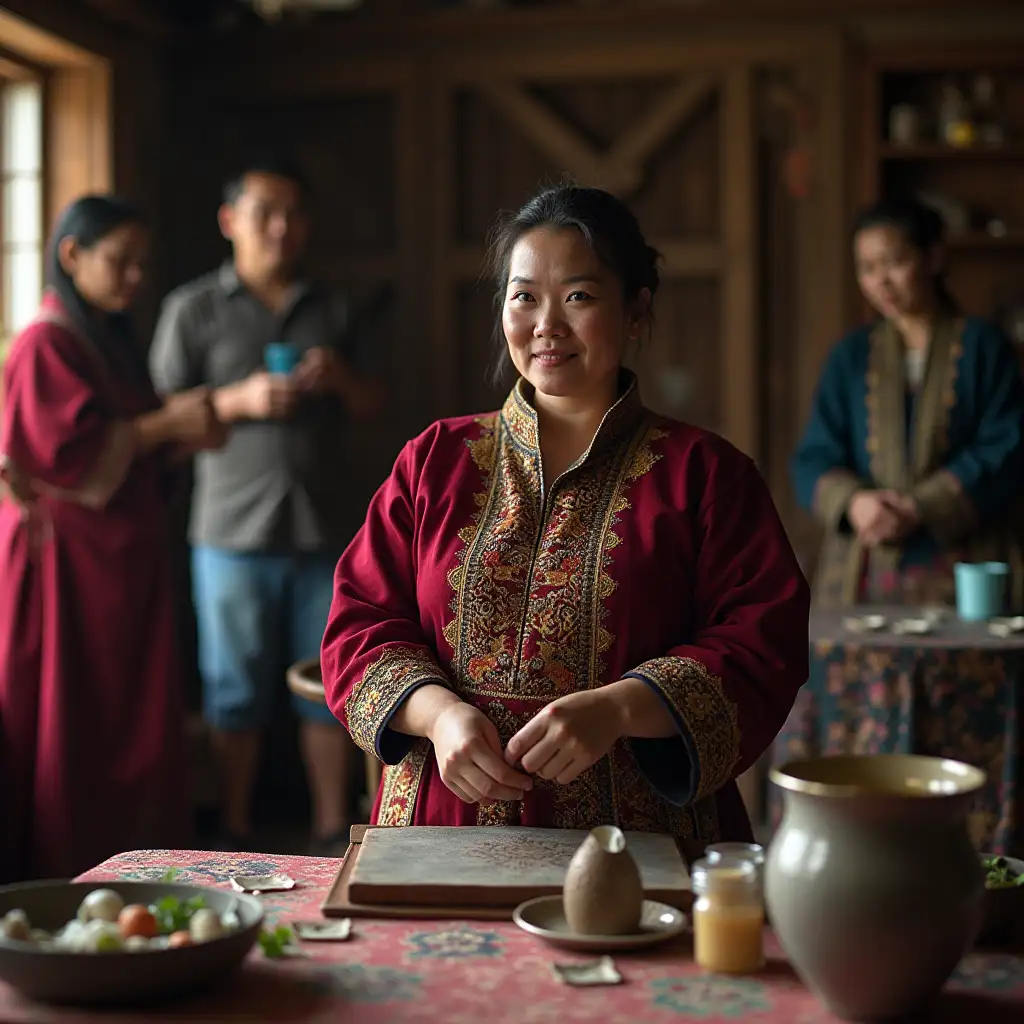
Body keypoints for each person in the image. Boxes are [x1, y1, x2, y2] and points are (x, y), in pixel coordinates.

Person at [321, 186, 809, 843]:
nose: (546, 324)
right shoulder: (436, 460)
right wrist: (439, 717)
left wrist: (620, 708)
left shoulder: (707, 475)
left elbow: (762, 641)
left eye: (578, 296)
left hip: (634, 837)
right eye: (524, 296)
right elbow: (359, 624)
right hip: (443, 822)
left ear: (636, 312)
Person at [149, 157, 381, 854]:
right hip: (228, 531)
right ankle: (235, 830)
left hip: (325, 528)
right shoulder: (191, 309)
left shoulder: (333, 307)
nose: (281, 228)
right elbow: (155, 419)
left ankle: (329, 833)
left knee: (328, 684)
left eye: (292, 215)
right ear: (230, 221)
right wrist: (235, 402)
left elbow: (376, 405)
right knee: (233, 690)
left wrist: (339, 379)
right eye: (264, 213)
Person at [0, 195, 227, 883]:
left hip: (120, 558)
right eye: (118, 261)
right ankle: (68, 868)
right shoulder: (47, 340)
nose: (134, 278)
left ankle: (142, 866)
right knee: (77, 716)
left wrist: (181, 439)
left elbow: (130, 450)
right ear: (72, 256)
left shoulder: (105, 337)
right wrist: (166, 427)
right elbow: (66, 459)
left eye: (140, 264)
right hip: (67, 564)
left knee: (130, 716)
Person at [791, 198, 1024, 607]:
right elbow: (813, 458)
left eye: (894, 262)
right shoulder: (851, 356)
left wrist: (920, 506)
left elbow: (1007, 445)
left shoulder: (984, 348)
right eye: (867, 268)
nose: (882, 281)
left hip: (966, 564)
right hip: (864, 570)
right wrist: (855, 503)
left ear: (933, 257)